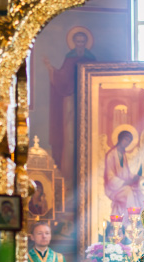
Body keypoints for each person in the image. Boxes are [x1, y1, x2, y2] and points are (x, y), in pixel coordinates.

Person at [44, 30, 96, 179]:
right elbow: (62, 78)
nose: (80, 44)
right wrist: (51, 69)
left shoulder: (91, 58)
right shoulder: (69, 58)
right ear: (74, 43)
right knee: (70, 132)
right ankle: (68, 173)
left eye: (82, 41)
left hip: (87, 98)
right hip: (71, 97)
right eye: (78, 41)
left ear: (86, 43)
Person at [104, 130, 141, 218]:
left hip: (123, 186)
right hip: (113, 188)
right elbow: (110, 177)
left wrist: (135, 177)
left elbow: (126, 173)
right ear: (120, 139)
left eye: (129, 141)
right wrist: (124, 183)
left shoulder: (123, 155)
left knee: (138, 191)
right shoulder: (111, 155)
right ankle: (131, 219)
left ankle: (135, 220)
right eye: (126, 139)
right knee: (129, 193)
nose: (127, 142)